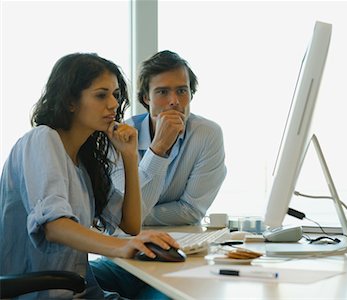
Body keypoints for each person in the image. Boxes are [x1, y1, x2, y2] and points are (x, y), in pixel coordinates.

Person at [0, 53, 179, 299]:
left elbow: (131, 225)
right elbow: (54, 226)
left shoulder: (84, 162)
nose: (113, 104)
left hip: (85, 293)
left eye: (115, 95)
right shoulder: (42, 139)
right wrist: (122, 247)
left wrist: (128, 156)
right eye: (101, 95)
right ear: (70, 101)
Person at [90, 50, 227, 298]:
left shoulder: (207, 135)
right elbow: (126, 217)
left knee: (167, 295)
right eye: (162, 92)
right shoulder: (120, 135)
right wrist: (158, 150)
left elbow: (191, 211)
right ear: (146, 98)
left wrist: (132, 216)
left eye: (182, 91)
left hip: (179, 255)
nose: (174, 101)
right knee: (80, 279)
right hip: (126, 254)